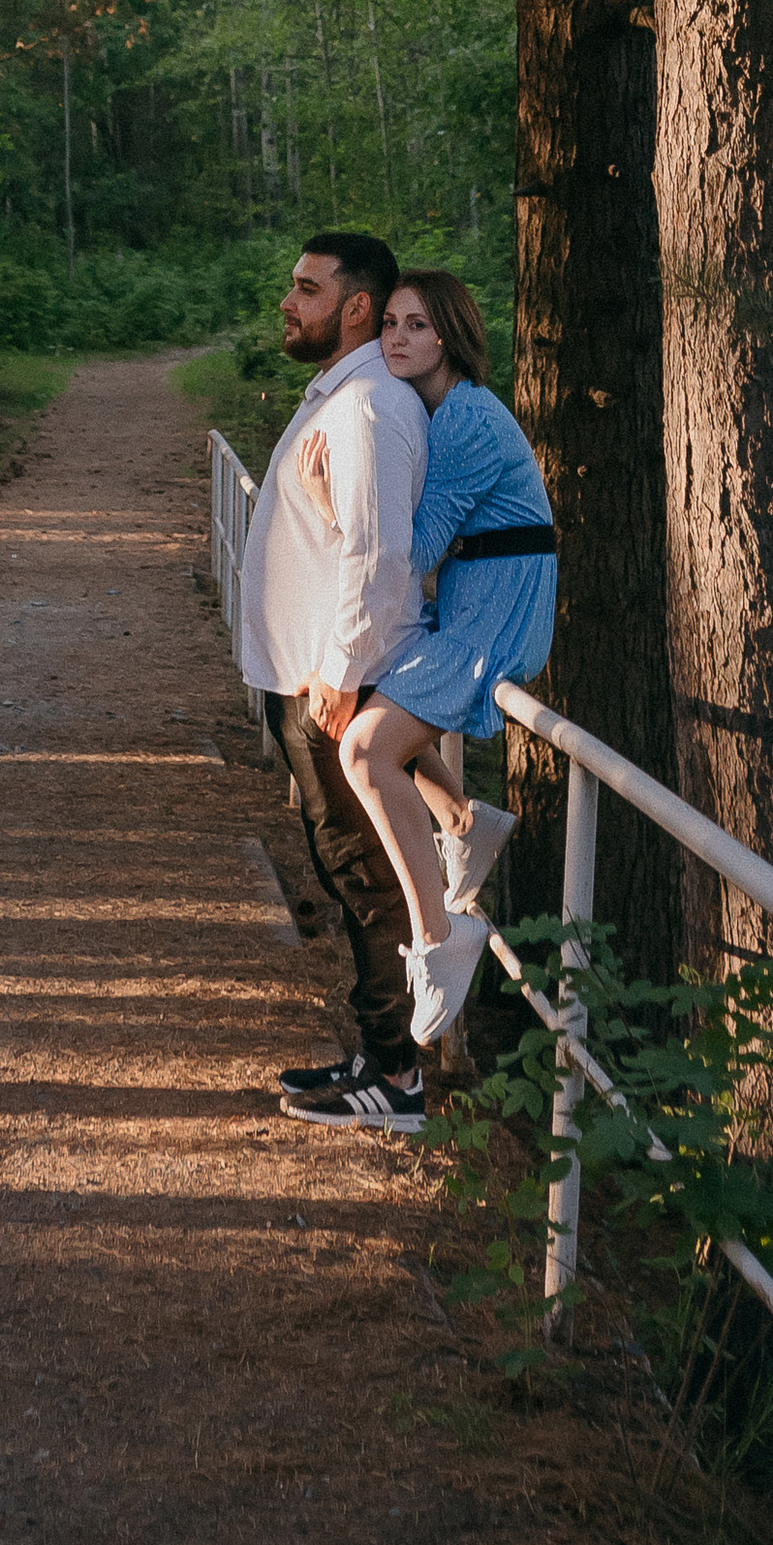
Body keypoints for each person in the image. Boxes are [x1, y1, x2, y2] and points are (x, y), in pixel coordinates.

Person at [300, 269, 556, 1048]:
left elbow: (410, 544)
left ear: (448, 335)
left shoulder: (468, 420)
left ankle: (440, 936)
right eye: (390, 325)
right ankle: (462, 818)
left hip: (495, 613)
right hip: (472, 600)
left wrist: (322, 501)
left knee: (364, 749)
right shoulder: (442, 412)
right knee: (370, 672)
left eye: (416, 325)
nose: (397, 339)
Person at [230, 229, 432, 1132]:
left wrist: (342, 674)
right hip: (310, 679)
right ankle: (379, 1054)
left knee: (366, 874)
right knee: (347, 870)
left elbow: (382, 556)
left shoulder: (368, 409)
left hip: (330, 687)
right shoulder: (342, 397)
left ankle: (398, 1078)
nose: (288, 300)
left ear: (356, 306)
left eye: (306, 288)